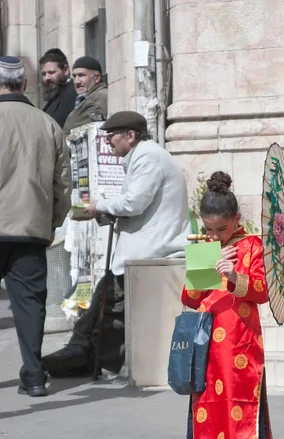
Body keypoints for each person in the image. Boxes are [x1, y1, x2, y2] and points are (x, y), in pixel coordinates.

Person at [43, 110, 191, 377]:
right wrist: (104, 212)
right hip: (144, 246)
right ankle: (88, 355)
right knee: (105, 301)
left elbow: (134, 203)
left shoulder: (148, 159)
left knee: (110, 305)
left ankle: (88, 357)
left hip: (151, 249)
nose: (109, 142)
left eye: (112, 136)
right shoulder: (144, 157)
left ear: (131, 136)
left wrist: (99, 206)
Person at [181, 172, 276, 439]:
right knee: (209, 409)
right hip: (206, 343)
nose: (215, 235)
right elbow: (192, 298)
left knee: (238, 407)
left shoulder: (251, 246)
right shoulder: (205, 246)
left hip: (240, 344)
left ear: (236, 220)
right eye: (209, 229)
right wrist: (195, 269)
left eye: (221, 229)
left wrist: (235, 276)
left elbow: (262, 291)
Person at [0, 56, 72, 397]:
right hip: (31, 228)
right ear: (24, 84)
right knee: (30, 305)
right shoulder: (48, 124)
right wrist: (52, 221)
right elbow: (63, 184)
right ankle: (32, 375)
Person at [63, 56, 107, 135]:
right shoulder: (88, 97)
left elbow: (71, 128)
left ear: (96, 78)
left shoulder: (98, 98)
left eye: (81, 75)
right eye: (74, 76)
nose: (76, 81)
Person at [40, 48, 77, 128]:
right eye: (44, 74)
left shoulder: (73, 93)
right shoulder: (55, 96)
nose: (47, 78)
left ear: (65, 70)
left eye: (51, 72)